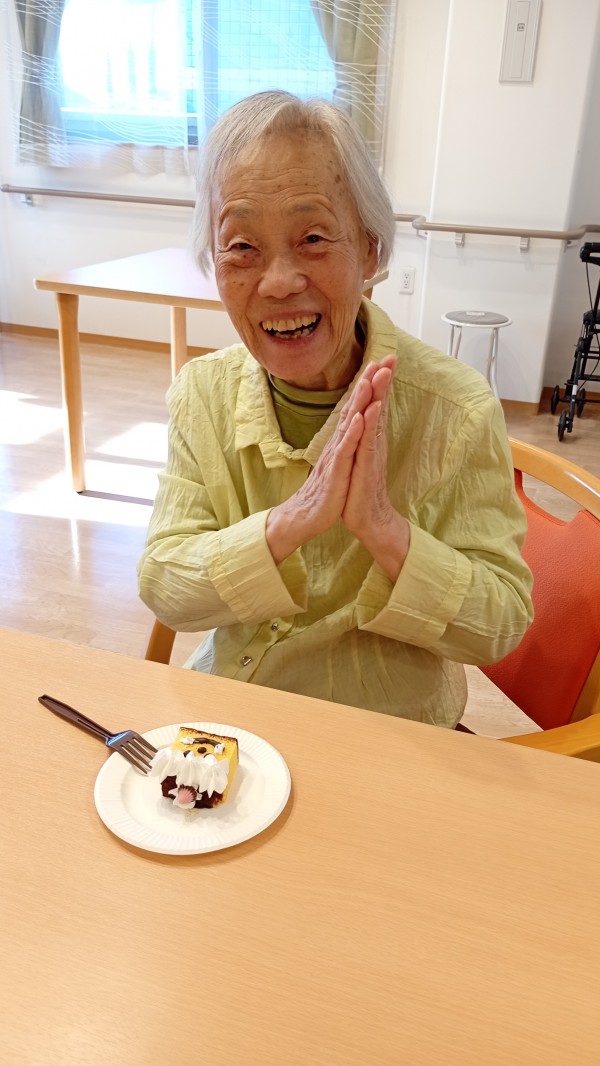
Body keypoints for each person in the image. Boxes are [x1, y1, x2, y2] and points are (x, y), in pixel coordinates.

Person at [137, 90, 533, 728]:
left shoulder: (456, 409)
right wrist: (288, 524)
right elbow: (164, 584)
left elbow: (500, 622)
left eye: (314, 237)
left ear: (370, 252)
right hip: (238, 717)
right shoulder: (202, 392)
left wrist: (384, 529)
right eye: (242, 246)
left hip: (390, 733)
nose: (278, 281)